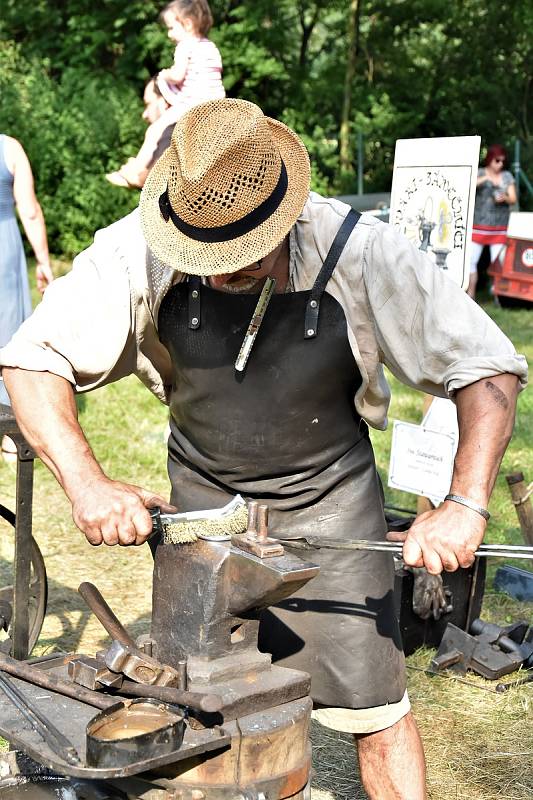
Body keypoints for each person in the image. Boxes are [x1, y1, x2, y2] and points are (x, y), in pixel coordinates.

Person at [0, 100, 527, 799]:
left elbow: (486, 367)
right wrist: (87, 483)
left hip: (331, 517)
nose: (216, 278)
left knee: (377, 711)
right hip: (205, 523)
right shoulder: (140, 246)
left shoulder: (359, 251)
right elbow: (32, 359)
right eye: (202, 259)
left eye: (238, 261)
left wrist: (463, 503)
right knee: (203, 716)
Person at [106, 0, 225, 189]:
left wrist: (166, 74)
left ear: (187, 24)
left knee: (154, 130)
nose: (169, 34)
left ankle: (136, 169)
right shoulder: (210, 46)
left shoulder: (185, 46)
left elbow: (178, 75)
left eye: (171, 28)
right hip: (217, 103)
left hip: (192, 102)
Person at [0, 134, 53, 458]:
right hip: (3, 251)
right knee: (6, 334)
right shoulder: (10, 148)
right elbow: (30, 211)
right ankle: (8, 434)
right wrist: (44, 261)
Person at [106, 78, 175, 189]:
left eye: (148, 104)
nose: (145, 115)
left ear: (165, 102)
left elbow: (161, 178)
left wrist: (134, 176)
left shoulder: (172, 131)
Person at [469, 144, 517, 299]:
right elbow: (468, 186)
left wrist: (505, 198)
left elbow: (513, 199)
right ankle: (470, 295)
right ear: (490, 159)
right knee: (470, 261)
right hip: (478, 225)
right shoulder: (480, 173)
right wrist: (486, 178)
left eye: (503, 161)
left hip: (499, 227)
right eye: (497, 160)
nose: (500, 164)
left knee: (498, 264)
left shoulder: (507, 176)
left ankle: (499, 297)